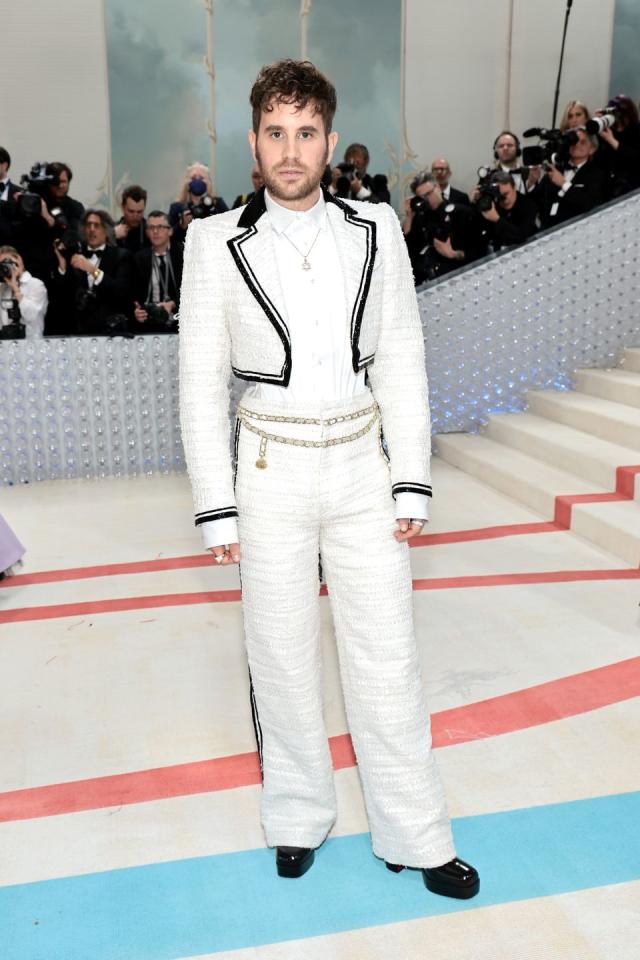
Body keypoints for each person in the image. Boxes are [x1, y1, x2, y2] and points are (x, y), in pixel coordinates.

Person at [179, 58, 479, 899]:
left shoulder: (377, 227)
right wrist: (218, 511)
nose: (290, 148)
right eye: (275, 132)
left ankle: (415, 836)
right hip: (266, 470)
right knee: (278, 658)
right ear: (253, 142)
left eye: (305, 132)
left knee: (388, 659)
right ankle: (297, 817)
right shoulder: (212, 242)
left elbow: (404, 359)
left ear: (331, 141)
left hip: (360, 471)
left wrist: (411, 480)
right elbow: (200, 382)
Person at [52, 209, 133, 335]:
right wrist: (62, 263)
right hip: (78, 330)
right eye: (88, 225)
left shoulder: (121, 256)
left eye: (97, 225)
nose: (92, 229)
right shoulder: (75, 254)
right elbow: (62, 295)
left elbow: (120, 291)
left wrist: (92, 270)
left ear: (106, 231)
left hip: (109, 331)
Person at [403, 171, 487, 285]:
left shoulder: (460, 212)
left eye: (429, 194)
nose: (427, 199)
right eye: (422, 197)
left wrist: (454, 254)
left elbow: (481, 250)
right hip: (426, 279)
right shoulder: (420, 219)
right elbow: (408, 251)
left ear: (437, 187)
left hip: (458, 277)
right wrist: (409, 217)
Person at [531, 128, 606, 229]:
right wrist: (531, 183)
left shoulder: (596, 174)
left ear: (592, 149)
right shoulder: (556, 169)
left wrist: (564, 184)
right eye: (573, 141)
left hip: (578, 229)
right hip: (548, 231)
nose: (577, 144)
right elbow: (535, 201)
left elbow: (590, 204)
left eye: (583, 142)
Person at [133, 210, 182, 331]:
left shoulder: (183, 255)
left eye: (160, 227)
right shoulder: (139, 259)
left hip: (179, 321)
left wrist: (173, 304)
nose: (155, 231)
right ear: (147, 232)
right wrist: (135, 311)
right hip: (147, 323)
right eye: (151, 227)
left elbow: (194, 291)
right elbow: (131, 294)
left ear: (170, 231)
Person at [169, 163, 228, 245]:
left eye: (201, 177)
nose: (197, 180)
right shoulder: (176, 207)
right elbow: (169, 237)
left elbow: (229, 230)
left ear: (208, 182)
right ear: (187, 183)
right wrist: (182, 225)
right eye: (193, 177)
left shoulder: (218, 203)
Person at [479, 172, 537, 250]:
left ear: (514, 188)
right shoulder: (493, 207)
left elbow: (521, 236)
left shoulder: (527, 204)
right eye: (500, 195)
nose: (504, 200)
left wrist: (497, 220)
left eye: (506, 194)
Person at [0, 245, 47, 338]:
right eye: (1, 265)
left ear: (18, 260)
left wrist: (15, 288)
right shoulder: (1, 288)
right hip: (5, 346)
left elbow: (32, 316)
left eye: (6, 262)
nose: (4, 268)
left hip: (31, 345)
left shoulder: (36, 285)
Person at [115, 185, 150, 254]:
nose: (135, 216)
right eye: (131, 211)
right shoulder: (113, 231)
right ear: (123, 207)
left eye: (139, 212)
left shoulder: (151, 232)